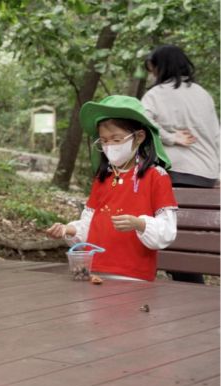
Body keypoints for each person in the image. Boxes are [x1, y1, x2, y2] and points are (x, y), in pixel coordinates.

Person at [46, 96, 177, 282]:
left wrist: (139, 224)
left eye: (116, 139)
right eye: (104, 141)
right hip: (94, 272)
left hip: (134, 277)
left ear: (139, 137)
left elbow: (167, 230)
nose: (109, 146)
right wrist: (68, 229)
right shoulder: (103, 178)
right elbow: (90, 225)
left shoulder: (157, 176)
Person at [142, 45, 219, 190]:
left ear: (162, 67)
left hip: (173, 173)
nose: (153, 76)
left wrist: (171, 138)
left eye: (153, 71)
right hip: (207, 175)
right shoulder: (203, 94)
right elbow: (217, 136)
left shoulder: (155, 94)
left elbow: (142, 122)